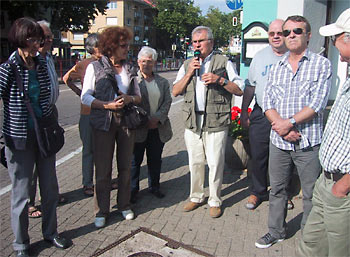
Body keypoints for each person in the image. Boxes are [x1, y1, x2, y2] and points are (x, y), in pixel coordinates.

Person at [255, 15, 332, 249]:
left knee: (310, 194)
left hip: (308, 143)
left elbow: (317, 103)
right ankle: (276, 231)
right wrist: (281, 127)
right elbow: (267, 101)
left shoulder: (321, 64)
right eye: (287, 32)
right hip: (279, 141)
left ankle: (309, 236)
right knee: (277, 189)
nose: (290, 35)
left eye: (297, 31)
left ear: (308, 35)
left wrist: (287, 123)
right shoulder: (277, 66)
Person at [0, 17, 68, 257]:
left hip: (43, 137)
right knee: (20, 195)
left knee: (50, 190)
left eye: (37, 38)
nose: (35, 42)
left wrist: (50, 124)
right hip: (18, 139)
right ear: (20, 39)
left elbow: (48, 96)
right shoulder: (9, 67)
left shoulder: (41, 63)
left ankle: (50, 233)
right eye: (31, 38)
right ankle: (21, 245)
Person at [173, 26, 244, 218]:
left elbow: (239, 89)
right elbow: (175, 91)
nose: (197, 45)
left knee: (215, 163)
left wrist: (219, 80)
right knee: (195, 161)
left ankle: (214, 200)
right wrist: (189, 73)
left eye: (201, 41)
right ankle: (196, 197)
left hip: (216, 119)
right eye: (194, 42)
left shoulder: (224, 61)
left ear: (210, 42)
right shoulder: (188, 63)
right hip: (193, 120)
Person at [298, 8, 350, 257]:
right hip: (326, 181)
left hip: (343, 189)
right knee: (310, 244)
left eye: (337, 42)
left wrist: (342, 186)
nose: (339, 56)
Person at [81, 26, 141, 228]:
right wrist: (106, 105)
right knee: (103, 169)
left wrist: (129, 98)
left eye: (127, 45)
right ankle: (101, 211)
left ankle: (124, 204)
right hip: (103, 122)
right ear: (111, 46)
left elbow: (139, 97)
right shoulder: (95, 67)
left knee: (125, 167)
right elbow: (86, 97)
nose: (127, 49)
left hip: (126, 121)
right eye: (123, 46)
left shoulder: (130, 67)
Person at [241, 19, 294, 210]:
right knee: (258, 155)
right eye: (272, 34)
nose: (276, 37)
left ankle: (282, 193)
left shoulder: (294, 56)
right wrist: (244, 112)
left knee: (284, 157)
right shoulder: (259, 57)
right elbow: (250, 86)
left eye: (280, 33)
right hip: (261, 114)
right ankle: (258, 191)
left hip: (286, 116)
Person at [27, 20, 66, 220]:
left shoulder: (48, 57)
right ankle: (29, 202)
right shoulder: (28, 60)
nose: (50, 39)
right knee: (32, 162)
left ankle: (50, 194)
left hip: (51, 112)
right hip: (34, 118)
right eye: (46, 36)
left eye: (51, 36)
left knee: (49, 155)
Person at [130, 46, 173, 203]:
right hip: (139, 127)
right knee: (135, 161)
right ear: (138, 61)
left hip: (158, 127)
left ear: (154, 62)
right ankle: (132, 190)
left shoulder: (162, 82)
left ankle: (154, 186)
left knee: (155, 160)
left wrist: (157, 118)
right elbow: (130, 103)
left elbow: (168, 101)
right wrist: (145, 119)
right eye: (143, 61)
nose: (146, 64)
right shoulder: (133, 81)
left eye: (149, 61)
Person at [63, 33, 103, 197]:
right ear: (93, 48)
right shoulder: (83, 64)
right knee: (88, 150)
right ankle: (87, 183)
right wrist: (80, 94)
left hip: (104, 112)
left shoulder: (106, 63)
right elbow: (66, 78)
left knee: (103, 149)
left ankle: (102, 181)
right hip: (88, 113)